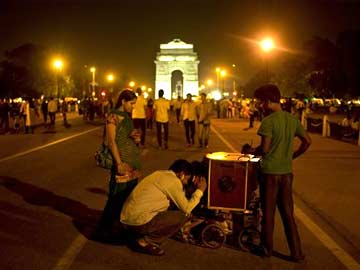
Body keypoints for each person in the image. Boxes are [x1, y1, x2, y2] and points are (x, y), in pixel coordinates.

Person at [242, 84, 311, 262]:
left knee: (269, 213)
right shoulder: (292, 119)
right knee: (288, 213)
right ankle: (296, 253)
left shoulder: (268, 121)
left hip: (270, 173)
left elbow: (265, 149)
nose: (259, 106)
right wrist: (292, 156)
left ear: (268, 101)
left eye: (261, 102)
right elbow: (307, 141)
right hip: (287, 173)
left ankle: (267, 249)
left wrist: (251, 151)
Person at [120, 159, 207, 256]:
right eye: (187, 179)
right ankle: (145, 242)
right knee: (183, 215)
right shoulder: (173, 182)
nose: (186, 183)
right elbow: (187, 208)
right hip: (136, 223)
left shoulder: (161, 174)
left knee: (173, 207)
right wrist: (200, 190)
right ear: (181, 174)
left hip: (126, 220)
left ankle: (134, 233)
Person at [95, 89, 142, 239]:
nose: (133, 107)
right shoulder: (113, 116)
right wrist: (119, 163)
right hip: (122, 163)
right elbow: (111, 141)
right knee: (116, 197)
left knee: (128, 197)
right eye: (132, 103)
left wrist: (135, 138)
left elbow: (126, 136)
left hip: (132, 163)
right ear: (123, 101)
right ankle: (103, 229)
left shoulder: (127, 117)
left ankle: (117, 225)